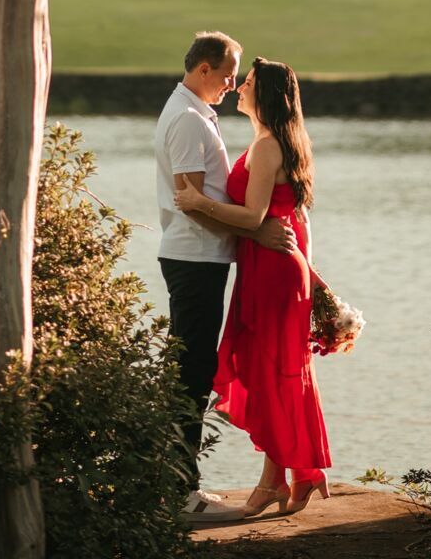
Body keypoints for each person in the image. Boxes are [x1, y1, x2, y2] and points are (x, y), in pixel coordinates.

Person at [173, 56, 331, 519]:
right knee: (277, 370)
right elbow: (295, 225)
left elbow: (254, 218)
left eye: (247, 83)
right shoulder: (281, 141)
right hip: (275, 268)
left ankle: (272, 483)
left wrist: (199, 201)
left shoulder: (267, 148)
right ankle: (290, 477)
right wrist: (313, 275)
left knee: (273, 371)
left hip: (272, 273)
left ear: (265, 95)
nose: (238, 87)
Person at [155, 32, 296, 520]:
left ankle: (182, 484)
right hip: (194, 258)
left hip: (203, 259)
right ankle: (180, 494)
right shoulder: (190, 120)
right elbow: (191, 204)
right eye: (230, 72)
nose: (234, 83)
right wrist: (256, 236)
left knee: (193, 372)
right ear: (204, 70)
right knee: (190, 374)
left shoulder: (197, 114)